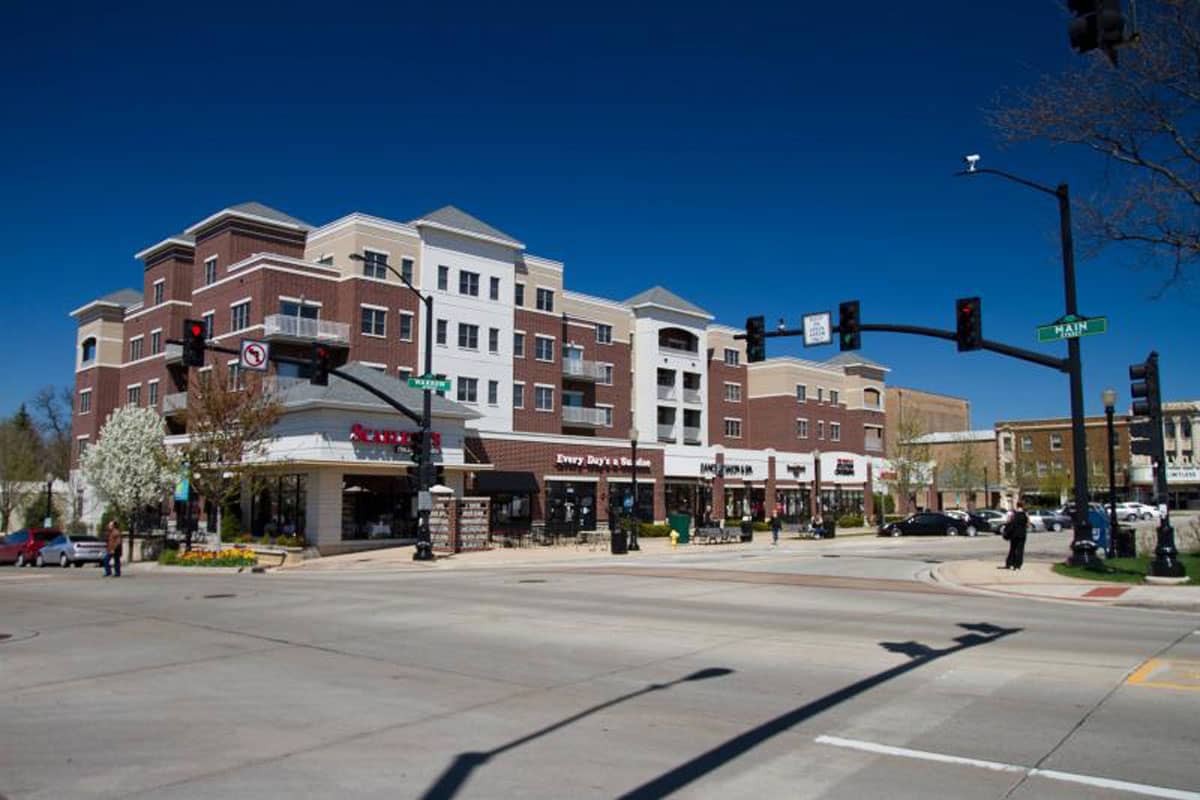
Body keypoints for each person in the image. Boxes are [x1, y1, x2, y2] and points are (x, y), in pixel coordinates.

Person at [1002, 503, 1029, 571]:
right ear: (1022, 506)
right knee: (1020, 550)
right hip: (1022, 534)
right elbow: (1028, 524)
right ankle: (1018, 565)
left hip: (1014, 534)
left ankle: (1010, 563)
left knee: (1013, 549)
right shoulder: (1025, 514)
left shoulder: (1013, 514)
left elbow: (1008, 522)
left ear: (1017, 506)